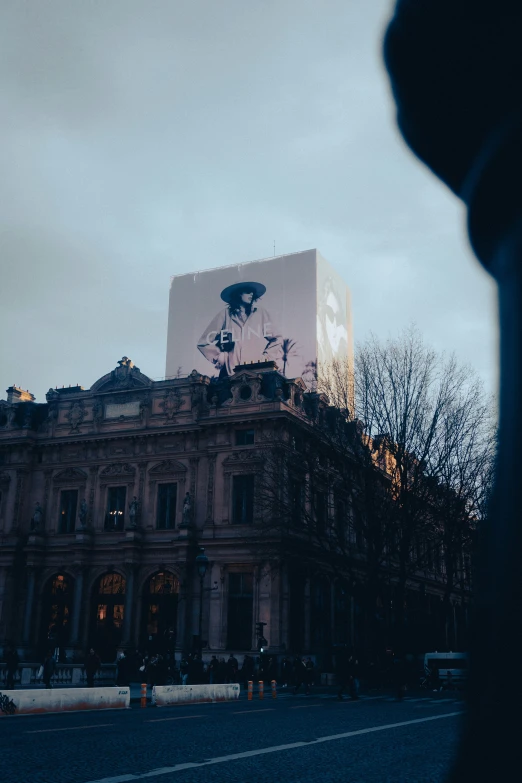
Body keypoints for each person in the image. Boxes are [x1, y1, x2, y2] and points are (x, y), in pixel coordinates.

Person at [197, 282, 283, 378]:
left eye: (252, 292)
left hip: (256, 373)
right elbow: (203, 343)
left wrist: (266, 358)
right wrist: (220, 357)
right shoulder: (225, 314)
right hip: (230, 374)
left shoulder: (260, 313)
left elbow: (277, 338)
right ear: (238, 294)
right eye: (247, 291)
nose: (251, 294)